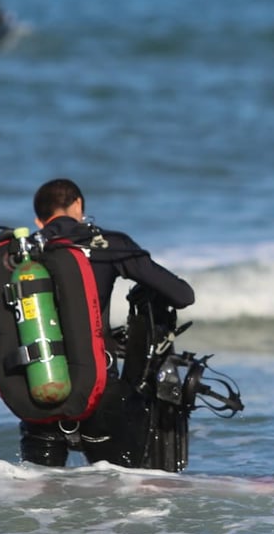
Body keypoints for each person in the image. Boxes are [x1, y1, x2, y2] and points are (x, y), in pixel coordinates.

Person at [17, 178, 195, 467]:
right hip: (98, 391)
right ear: (78, 205)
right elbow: (182, 295)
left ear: (39, 221)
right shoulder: (109, 245)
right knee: (117, 492)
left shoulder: (24, 257)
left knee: (40, 491)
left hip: (39, 389)